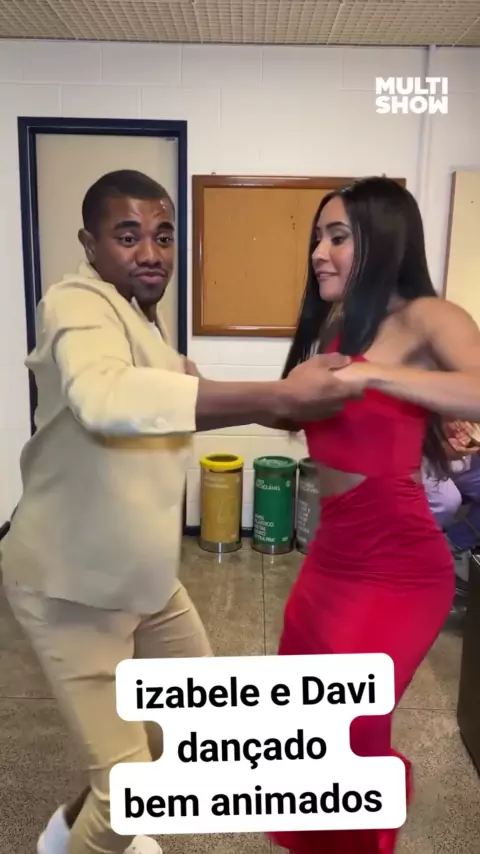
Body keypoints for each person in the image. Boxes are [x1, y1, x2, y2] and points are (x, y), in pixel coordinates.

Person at [0, 170, 360, 854]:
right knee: (128, 795)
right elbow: (106, 396)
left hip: (144, 580)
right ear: (90, 245)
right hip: (70, 588)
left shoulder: (140, 320)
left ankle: (62, 836)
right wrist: (275, 395)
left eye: (163, 237)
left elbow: (180, 394)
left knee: (193, 728)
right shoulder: (75, 303)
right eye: (127, 236)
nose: (151, 253)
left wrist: (285, 404)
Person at [267, 176, 480, 854]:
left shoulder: (427, 316)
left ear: (383, 239)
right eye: (317, 239)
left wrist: (373, 375)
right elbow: (295, 413)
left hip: (399, 566)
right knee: (305, 723)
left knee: (352, 725)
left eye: (337, 237)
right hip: (332, 558)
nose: (318, 253)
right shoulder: (337, 326)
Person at [422, 419, 480, 565]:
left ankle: (453, 544)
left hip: (464, 448)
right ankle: (408, 546)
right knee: (446, 501)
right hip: (420, 448)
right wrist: (436, 442)